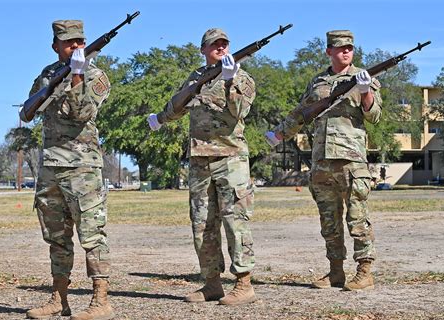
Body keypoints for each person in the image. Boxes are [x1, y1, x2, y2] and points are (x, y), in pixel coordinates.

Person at [266, 30, 382, 291]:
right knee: (329, 221)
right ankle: (335, 271)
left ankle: (364, 271)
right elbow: (301, 113)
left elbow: (374, 116)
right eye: (340, 48)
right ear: (328, 51)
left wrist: (365, 92)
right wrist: (279, 134)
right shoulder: (317, 81)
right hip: (321, 161)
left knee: (357, 218)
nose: (345, 52)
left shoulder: (364, 78)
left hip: (351, 160)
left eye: (349, 48)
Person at [148, 28, 257, 305]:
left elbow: (240, 111)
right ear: (204, 50)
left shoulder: (241, 77)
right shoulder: (196, 78)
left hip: (230, 158)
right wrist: (160, 118)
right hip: (199, 160)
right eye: (214, 45)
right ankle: (211, 283)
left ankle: (244, 284)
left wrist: (230, 80)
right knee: (202, 224)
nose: (221, 49)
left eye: (224, 44)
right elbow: (175, 109)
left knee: (235, 221)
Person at [22, 20, 113, 320]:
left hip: (82, 167)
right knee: (56, 237)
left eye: (80, 42)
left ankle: (101, 301)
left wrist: (75, 75)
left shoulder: (96, 76)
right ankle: (59, 299)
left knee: (92, 235)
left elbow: (82, 112)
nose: (76, 47)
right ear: (56, 46)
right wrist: (54, 83)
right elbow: (27, 111)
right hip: (51, 166)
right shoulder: (47, 74)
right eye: (69, 42)